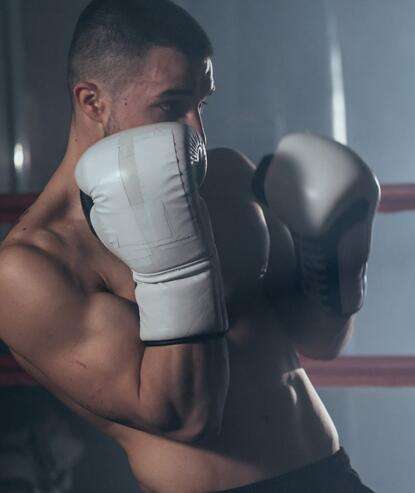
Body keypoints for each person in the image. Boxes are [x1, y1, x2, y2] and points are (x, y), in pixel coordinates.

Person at [0, 0, 378, 491]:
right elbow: (186, 417)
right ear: (92, 102)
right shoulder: (33, 267)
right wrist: (175, 266)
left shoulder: (226, 178)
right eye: (171, 104)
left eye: (202, 103)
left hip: (333, 473)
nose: (197, 131)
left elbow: (320, 341)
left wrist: (336, 254)